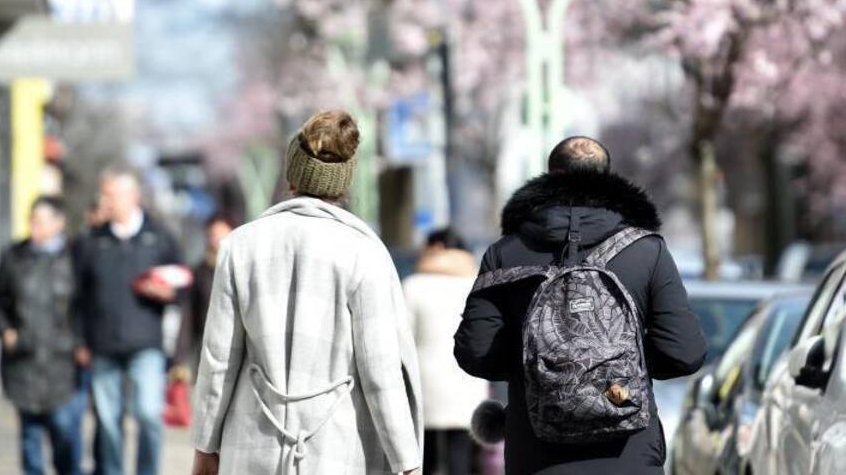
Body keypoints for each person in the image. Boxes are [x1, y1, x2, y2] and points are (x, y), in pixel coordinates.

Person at [454, 136, 707, 475]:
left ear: (549, 178)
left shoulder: (505, 253)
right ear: (607, 178)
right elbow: (684, 353)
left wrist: (539, 367)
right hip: (629, 452)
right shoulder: (647, 251)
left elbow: (475, 351)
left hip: (536, 452)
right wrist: (621, 366)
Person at [191, 110, 423, 475]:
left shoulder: (239, 246)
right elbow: (381, 373)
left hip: (250, 450)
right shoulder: (364, 252)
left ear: (291, 175)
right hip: (339, 451)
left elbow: (219, 360)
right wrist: (407, 462)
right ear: (344, 182)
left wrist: (205, 448)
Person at [74, 167, 183, 475]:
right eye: (103, 194)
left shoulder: (159, 238)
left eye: (111, 194)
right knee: (108, 421)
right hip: (103, 345)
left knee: (149, 414)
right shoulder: (91, 242)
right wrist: (80, 340)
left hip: (146, 344)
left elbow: (183, 284)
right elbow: (77, 296)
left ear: (132, 196)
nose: (105, 200)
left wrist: (167, 294)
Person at [0, 196, 83, 475]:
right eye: (32, 220)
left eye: (41, 221)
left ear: (59, 223)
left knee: (65, 436)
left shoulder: (74, 259)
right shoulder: (14, 257)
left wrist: (80, 342)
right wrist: (5, 331)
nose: (34, 227)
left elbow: (89, 305)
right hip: (24, 361)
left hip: (63, 364)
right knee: (30, 441)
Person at [403, 227, 488, 475]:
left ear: (436, 248)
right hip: (467, 382)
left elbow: (404, 339)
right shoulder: (474, 285)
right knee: (461, 456)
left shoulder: (413, 286)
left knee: (423, 458)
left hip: (425, 384)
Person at [172, 211, 236, 383]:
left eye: (222, 234)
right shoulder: (200, 272)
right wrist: (179, 360)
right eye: (213, 235)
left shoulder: (242, 268)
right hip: (208, 349)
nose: (217, 240)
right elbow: (189, 318)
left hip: (238, 348)